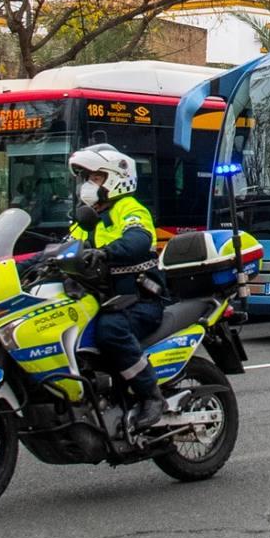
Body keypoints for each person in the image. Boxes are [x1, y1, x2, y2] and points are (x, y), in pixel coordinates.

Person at [67, 143, 168, 429]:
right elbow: (63, 248)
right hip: (105, 299)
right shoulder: (87, 218)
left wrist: (106, 252)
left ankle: (151, 395)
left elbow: (138, 238)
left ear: (114, 178)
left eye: (94, 178)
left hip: (140, 300)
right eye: (85, 179)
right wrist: (12, 265)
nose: (87, 186)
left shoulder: (130, 208)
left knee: (110, 330)